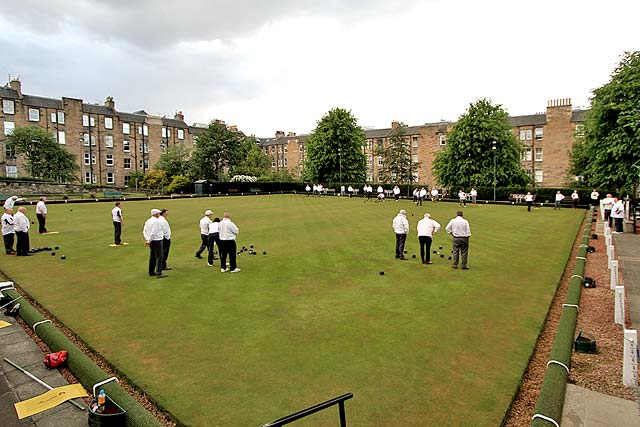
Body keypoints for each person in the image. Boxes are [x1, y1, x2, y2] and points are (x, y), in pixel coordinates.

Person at [143, 209, 166, 278]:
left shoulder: (148, 221)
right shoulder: (156, 221)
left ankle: (151, 271)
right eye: (158, 213)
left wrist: (148, 239)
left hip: (152, 240)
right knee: (159, 256)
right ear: (155, 214)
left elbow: (145, 231)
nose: (159, 214)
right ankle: (159, 273)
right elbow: (154, 232)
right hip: (157, 240)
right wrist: (149, 240)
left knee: (152, 256)